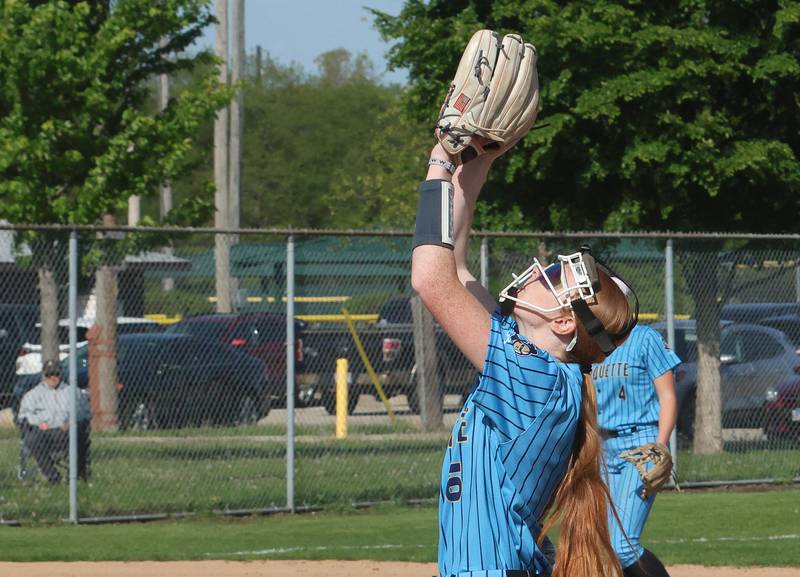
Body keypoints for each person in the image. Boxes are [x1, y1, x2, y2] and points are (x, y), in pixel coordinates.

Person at [412, 139, 640, 577]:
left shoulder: (536, 379)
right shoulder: (542, 370)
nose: (541, 270)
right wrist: (477, 159)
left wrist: (439, 162)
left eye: (556, 276)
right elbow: (457, 265)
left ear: (563, 324)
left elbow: (431, 278)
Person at [592, 324, 681, 577]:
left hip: (641, 445)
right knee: (607, 545)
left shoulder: (644, 337)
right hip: (604, 447)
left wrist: (660, 445)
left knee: (623, 545)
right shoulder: (593, 342)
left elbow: (668, 397)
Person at [16, 359, 91, 483]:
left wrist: (72, 422)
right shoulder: (33, 394)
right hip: (43, 432)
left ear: (61, 373)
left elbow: (85, 412)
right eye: (49, 374)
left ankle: (74, 476)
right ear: (44, 375)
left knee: (79, 433)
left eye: (56, 373)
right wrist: (38, 423)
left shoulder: (73, 392)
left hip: (66, 431)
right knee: (32, 439)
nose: (53, 377)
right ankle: (53, 476)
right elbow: (23, 416)